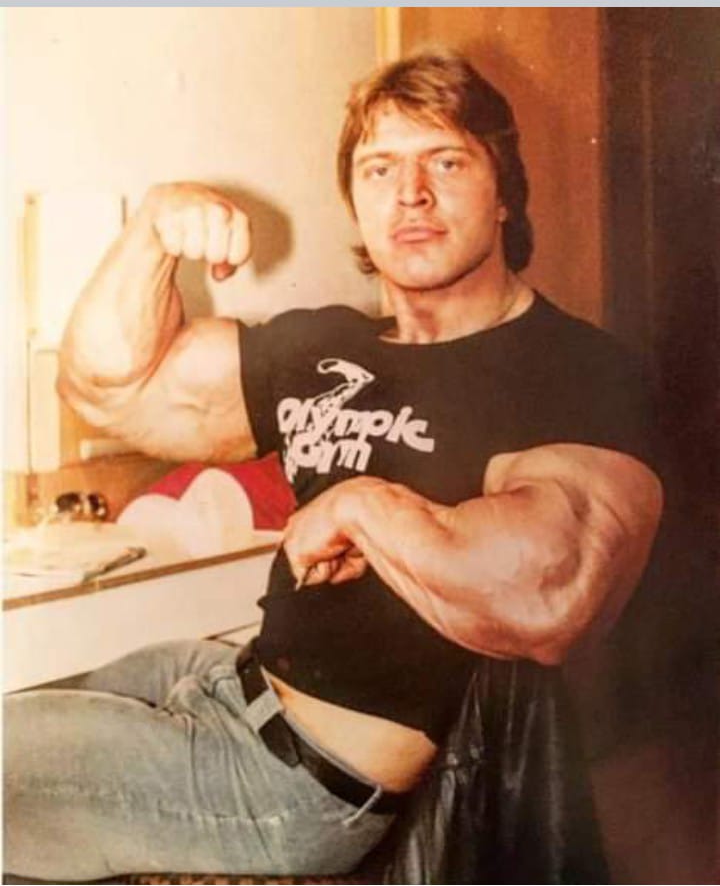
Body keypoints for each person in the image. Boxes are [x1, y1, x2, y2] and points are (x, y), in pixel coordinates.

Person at [4, 51, 663, 882]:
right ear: (354, 199)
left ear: (505, 193)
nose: (410, 194)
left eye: (446, 161)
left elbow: (552, 594)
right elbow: (104, 388)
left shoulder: (572, 365)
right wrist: (153, 231)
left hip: (299, 782)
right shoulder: (323, 345)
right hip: (230, 684)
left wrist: (362, 505)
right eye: (379, 168)